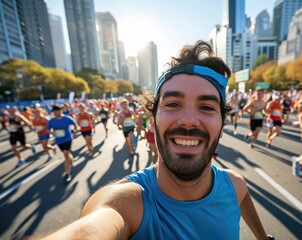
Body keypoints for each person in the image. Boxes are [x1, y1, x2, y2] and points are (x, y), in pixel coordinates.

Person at [41, 40, 273, 240]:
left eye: (206, 107)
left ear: (222, 125)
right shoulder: (125, 202)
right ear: (152, 121)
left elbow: (244, 204)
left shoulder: (235, 185)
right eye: (172, 104)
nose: (188, 120)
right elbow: (92, 229)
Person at [47, 104, 78, 183]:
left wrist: (74, 131)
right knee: (67, 155)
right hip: (59, 140)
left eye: (57, 110)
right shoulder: (52, 120)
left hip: (67, 139)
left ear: (61, 110)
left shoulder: (66, 118)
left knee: (65, 154)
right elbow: (47, 129)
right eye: (54, 111)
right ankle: (71, 162)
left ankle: (67, 174)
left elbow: (75, 124)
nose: (56, 112)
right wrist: (52, 133)